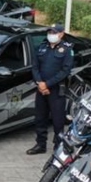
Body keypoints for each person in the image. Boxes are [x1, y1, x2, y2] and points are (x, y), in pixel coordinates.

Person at [27, 24, 74, 155]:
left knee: (58, 120)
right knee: (40, 118)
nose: (51, 35)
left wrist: (47, 84)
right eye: (50, 32)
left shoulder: (66, 50)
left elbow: (65, 71)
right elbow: (35, 67)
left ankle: (58, 147)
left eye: (54, 32)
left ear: (61, 34)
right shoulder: (42, 47)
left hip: (56, 89)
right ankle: (40, 144)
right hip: (41, 88)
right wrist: (40, 83)